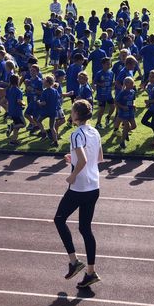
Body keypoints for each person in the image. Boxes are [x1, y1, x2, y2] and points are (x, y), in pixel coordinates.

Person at [54, 99, 102, 288]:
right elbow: (98, 158)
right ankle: (90, 272)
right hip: (94, 186)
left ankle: (74, 262)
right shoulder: (95, 131)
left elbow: (82, 159)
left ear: (76, 114)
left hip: (79, 187)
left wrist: (72, 175)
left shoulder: (76, 134)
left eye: (72, 110)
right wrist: (72, 159)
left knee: (59, 219)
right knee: (85, 229)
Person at [5, 74, 26, 146]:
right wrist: (24, 103)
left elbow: (7, 100)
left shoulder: (9, 90)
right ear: (17, 81)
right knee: (23, 124)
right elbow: (19, 101)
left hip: (11, 111)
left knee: (17, 127)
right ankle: (11, 126)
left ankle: (13, 141)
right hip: (17, 112)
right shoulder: (18, 91)